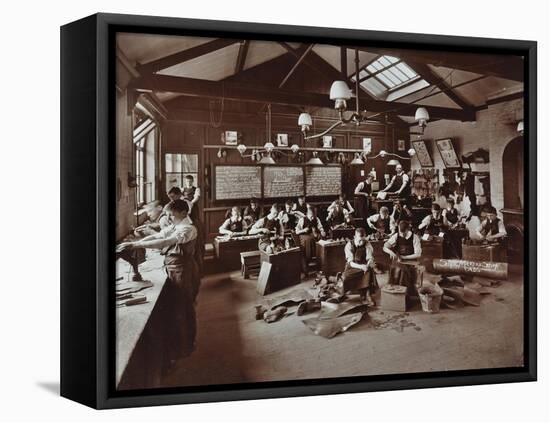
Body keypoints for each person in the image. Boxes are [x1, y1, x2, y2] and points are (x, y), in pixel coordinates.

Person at [117, 199, 199, 374]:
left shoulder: (188, 228)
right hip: (173, 267)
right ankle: (180, 344)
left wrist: (136, 244)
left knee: (183, 307)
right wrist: (137, 241)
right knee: (177, 308)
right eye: (168, 214)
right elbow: (160, 236)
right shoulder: (176, 225)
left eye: (171, 214)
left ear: (183, 213)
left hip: (182, 270)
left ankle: (186, 346)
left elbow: (165, 242)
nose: (168, 217)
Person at [383, 220, 422, 297]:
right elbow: (385, 246)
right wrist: (391, 253)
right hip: (399, 259)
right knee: (395, 267)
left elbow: (418, 254)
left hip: (411, 260)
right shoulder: (396, 236)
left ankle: (406, 292)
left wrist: (404, 257)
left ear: (408, 229)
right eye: (400, 233)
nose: (402, 234)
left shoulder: (415, 237)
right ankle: (396, 291)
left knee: (403, 270)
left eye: (404, 233)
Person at [342, 228, 378, 305]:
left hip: (364, 265)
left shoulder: (367, 244)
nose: (361, 242)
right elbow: (351, 263)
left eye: (363, 240)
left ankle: (367, 295)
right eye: (359, 240)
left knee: (369, 271)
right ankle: (346, 292)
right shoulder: (349, 245)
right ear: (355, 236)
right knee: (345, 277)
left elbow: (370, 257)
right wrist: (361, 267)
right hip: (353, 266)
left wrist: (369, 263)